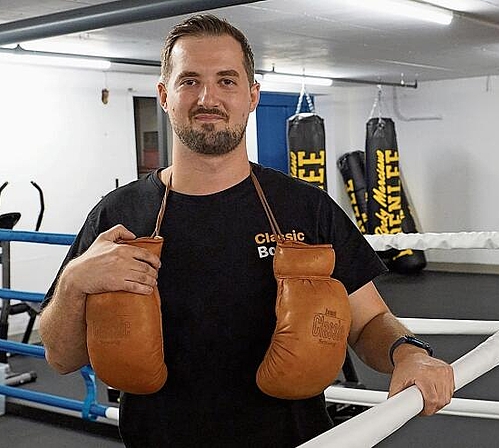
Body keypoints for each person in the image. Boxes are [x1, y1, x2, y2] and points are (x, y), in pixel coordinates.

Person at [39, 14, 454, 447]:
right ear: (164, 96)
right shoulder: (117, 214)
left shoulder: (305, 207)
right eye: (189, 81)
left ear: (252, 95)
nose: (207, 97)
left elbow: (369, 320)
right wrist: (72, 283)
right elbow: (61, 356)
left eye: (227, 81)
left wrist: (409, 353)